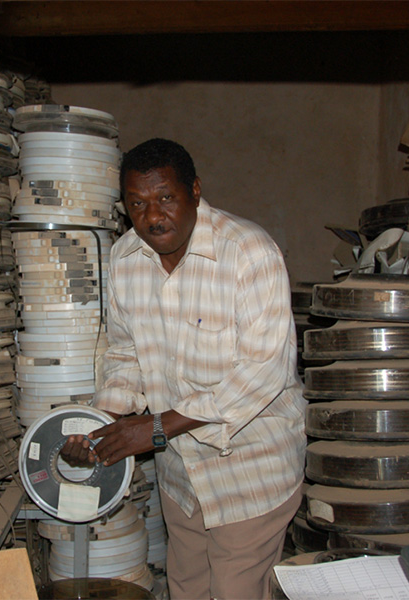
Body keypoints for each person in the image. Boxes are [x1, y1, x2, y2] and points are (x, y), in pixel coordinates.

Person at [62, 138, 306, 600]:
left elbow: (263, 372)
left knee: (235, 590)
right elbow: (126, 353)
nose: (153, 217)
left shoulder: (249, 253)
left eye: (166, 198)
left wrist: (152, 430)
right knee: (187, 589)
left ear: (195, 191)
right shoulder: (125, 259)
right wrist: (103, 426)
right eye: (137, 204)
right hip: (182, 474)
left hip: (251, 469)